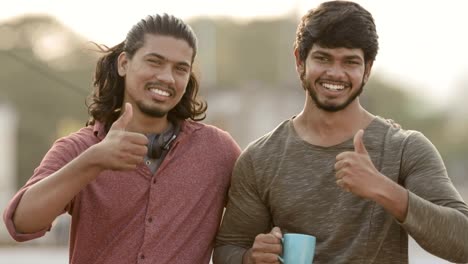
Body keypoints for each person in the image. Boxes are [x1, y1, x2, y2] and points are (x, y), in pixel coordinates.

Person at [213, 1, 468, 263]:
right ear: (300, 60)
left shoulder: (404, 149)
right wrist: (251, 257)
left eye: (350, 62)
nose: (335, 73)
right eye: (323, 58)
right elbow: (226, 250)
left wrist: (384, 189)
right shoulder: (259, 159)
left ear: (367, 69)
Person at [3, 14, 241, 264]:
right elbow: (20, 223)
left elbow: (256, 214)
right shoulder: (81, 148)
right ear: (124, 63)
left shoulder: (218, 150)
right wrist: (92, 162)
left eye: (180, 68)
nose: (167, 77)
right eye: (154, 62)